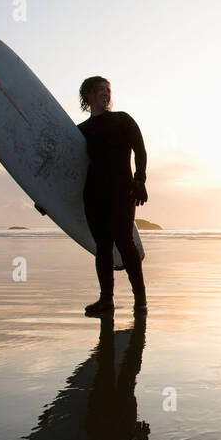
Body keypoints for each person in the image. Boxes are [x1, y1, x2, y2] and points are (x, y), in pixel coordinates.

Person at [77, 76, 147, 317]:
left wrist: (140, 179)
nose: (106, 94)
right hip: (94, 194)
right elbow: (66, 167)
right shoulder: (81, 131)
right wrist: (44, 197)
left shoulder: (122, 120)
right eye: (100, 91)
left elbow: (140, 148)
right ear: (88, 95)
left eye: (108, 90)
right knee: (103, 247)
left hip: (122, 191)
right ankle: (106, 300)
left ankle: (141, 301)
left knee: (124, 241)